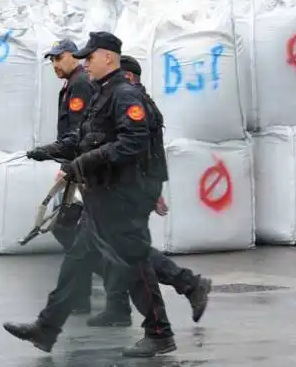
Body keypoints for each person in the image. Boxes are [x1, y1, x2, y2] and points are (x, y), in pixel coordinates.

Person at [4, 31, 176, 358]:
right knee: (77, 260)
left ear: (108, 57)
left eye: (90, 57)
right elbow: (86, 138)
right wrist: (46, 151)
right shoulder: (103, 94)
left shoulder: (124, 95)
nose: (85, 62)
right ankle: (46, 328)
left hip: (120, 194)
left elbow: (132, 143)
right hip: (102, 194)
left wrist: (83, 162)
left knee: (136, 264)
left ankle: (160, 331)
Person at [76, 55, 213, 327]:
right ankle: (120, 307)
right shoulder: (123, 100)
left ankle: (187, 286)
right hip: (118, 187)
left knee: (125, 248)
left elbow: (139, 150)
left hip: (127, 189)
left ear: (127, 77)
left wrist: (148, 189)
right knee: (106, 246)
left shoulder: (132, 101)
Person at [43, 39, 96, 315]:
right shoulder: (71, 84)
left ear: (73, 56)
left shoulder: (80, 84)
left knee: (69, 228)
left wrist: (68, 165)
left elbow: (78, 132)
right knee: (73, 230)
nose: (54, 65)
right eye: (51, 60)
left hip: (82, 168)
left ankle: (86, 292)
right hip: (78, 165)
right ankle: (85, 293)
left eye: (58, 58)